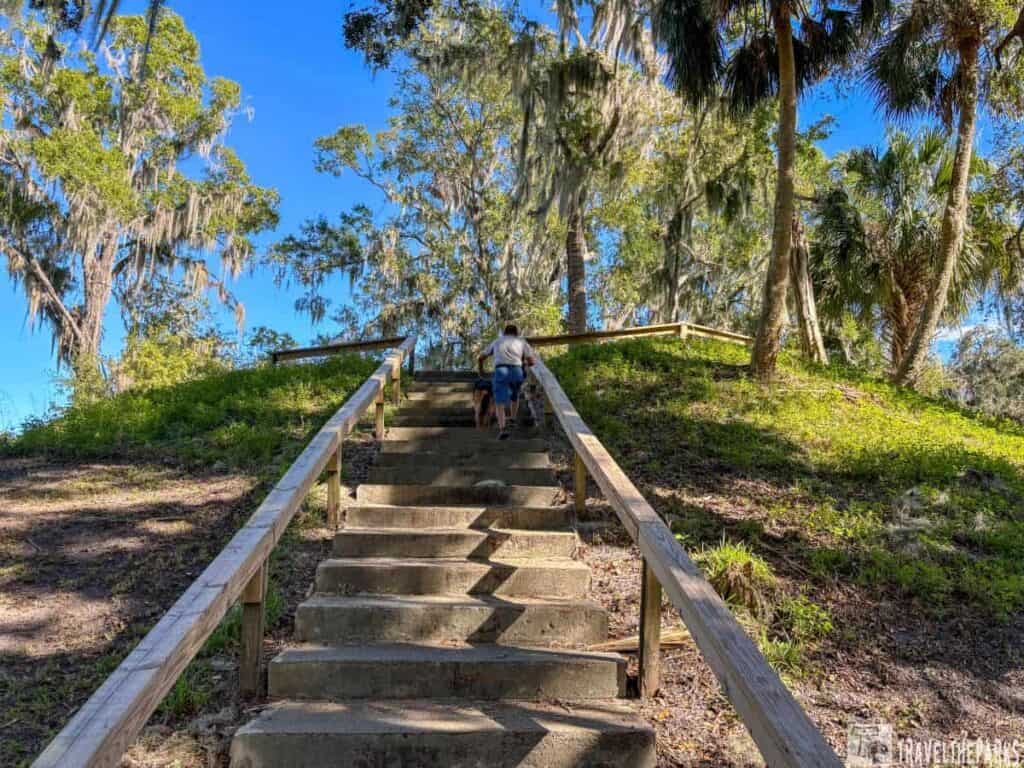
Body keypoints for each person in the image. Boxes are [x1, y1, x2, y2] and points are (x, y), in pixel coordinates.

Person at [478, 324, 536, 440]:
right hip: (517, 371)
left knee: (499, 401)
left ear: (504, 333)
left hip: (501, 370)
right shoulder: (521, 342)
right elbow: (532, 361)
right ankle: (513, 419)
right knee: (515, 395)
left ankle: (503, 428)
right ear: (516, 333)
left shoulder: (497, 341)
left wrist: (481, 370)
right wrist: (524, 364)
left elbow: (481, 357)